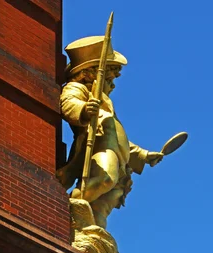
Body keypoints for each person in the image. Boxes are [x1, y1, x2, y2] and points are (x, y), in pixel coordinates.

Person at [57, 35, 163, 229]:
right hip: (100, 150)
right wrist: (84, 109)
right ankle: (68, 206)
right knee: (105, 179)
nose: (113, 85)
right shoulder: (79, 89)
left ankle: (94, 231)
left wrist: (143, 155)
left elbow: (118, 136)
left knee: (107, 200)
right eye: (110, 78)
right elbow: (68, 103)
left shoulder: (105, 102)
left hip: (119, 155)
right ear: (92, 73)